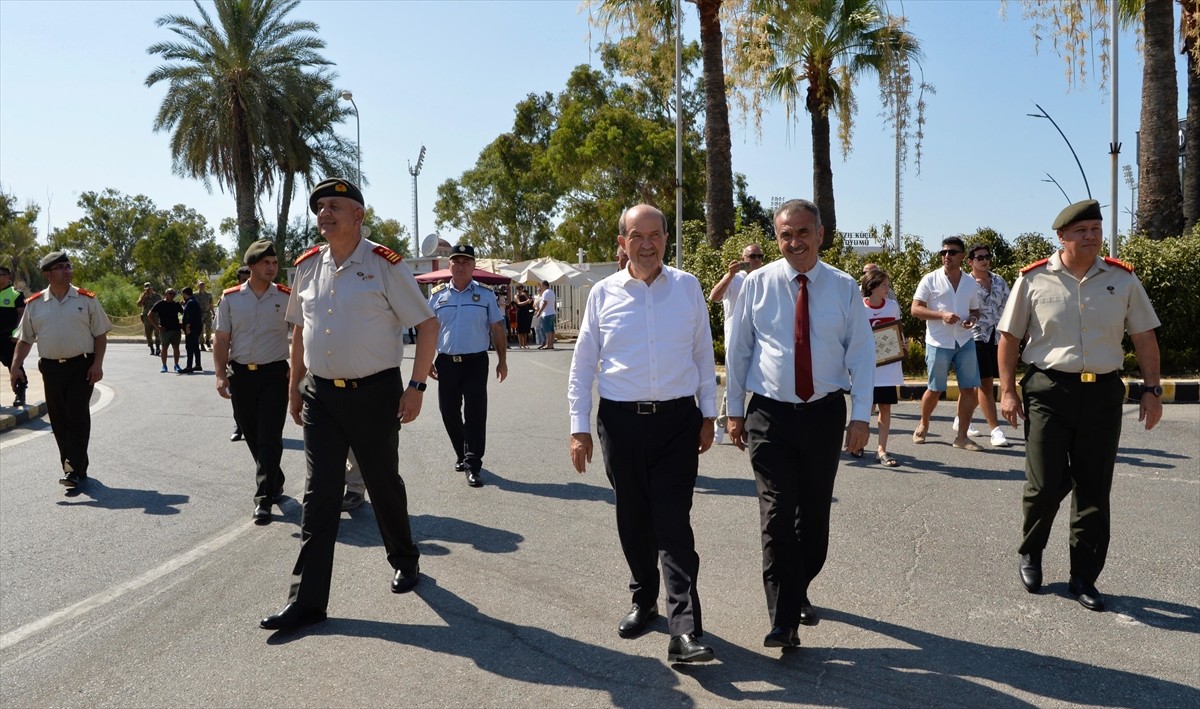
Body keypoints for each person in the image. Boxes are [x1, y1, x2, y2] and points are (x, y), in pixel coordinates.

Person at [260, 177, 437, 633]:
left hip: (375, 394)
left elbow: (427, 325)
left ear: (359, 215)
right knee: (319, 495)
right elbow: (299, 330)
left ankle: (405, 558)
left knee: (382, 482)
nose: (325, 213)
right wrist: (294, 385)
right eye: (320, 206)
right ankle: (307, 602)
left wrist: (415, 385)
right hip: (321, 396)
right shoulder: (306, 266)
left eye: (335, 205)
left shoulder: (384, 265)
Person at [567, 204, 717, 665]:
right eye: (637, 236)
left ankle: (684, 629)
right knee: (633, 519)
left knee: (673, 523)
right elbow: (583, 364)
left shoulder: (688, 288)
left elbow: (702, 355)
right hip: (620, 423)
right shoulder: (602, 294)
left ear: (667, 239)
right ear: (622, 243)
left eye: (656, 235)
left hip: (677, 422)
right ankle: (643, 599)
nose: (647, 244)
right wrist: (579, 427)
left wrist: (708, 414)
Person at [998, 199, 1162, 613]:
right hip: (1049, 389)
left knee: (1093, 487)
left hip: (1103, 392)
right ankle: (1031, 551)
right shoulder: (1033, 279)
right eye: (1082, 230)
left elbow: (1144, 336)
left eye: (1096, 229)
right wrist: (1007, 391)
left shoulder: (1122, 280)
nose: (1091, 236)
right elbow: (1009, 339)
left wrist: (1153, 389)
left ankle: (1083, 576)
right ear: (1062, 237)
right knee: (1045, 483)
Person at [725, 199, 874, 650]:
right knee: (775, 517)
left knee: (812, 520)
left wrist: (861, 416)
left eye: (802, 233)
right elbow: (739, 351)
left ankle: (799, 585)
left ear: (821, 234)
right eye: (785, 235)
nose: (794, 243)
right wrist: (733, 411)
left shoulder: (845, 288)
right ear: (777, 238)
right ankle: (783, 619)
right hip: (769, 415)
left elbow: (863, 354)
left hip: (824, 414)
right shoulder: (757, 284)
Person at [10, 252, 111, 489]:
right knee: (58, 418)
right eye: (60, 268)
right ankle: (77, 465)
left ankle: (72, 469)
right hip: (51, 369)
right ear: (48, 274)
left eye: (68, 267)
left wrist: (97, 365)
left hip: (81, 366)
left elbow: (100, 334)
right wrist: (15, 367)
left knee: (76, 414)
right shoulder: (34, 304)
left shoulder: (86, 299)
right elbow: (25, 339)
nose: (67, 271)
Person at [213, 240, 292, 524]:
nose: (272, 268)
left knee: (270, 436)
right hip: (242, 375)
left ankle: (263, 498)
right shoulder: (231, 298)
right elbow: (221, 339)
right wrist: (221, 374)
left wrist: (299, 370)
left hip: (275, 375)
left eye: (274, 263)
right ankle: (275, 478)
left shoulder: (285, 296)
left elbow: (306, 332)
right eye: (265, 263)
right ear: (251, 267)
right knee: (253, 435)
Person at [428, 244, 507, 487]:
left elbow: (497, 328)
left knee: (475, 412)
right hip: (446, 362)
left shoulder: (485, 295)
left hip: (475, 362)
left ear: (474, 266)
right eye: (456, 261)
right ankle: (462, 453)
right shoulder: (437, 296)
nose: (461, 266)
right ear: (449, 265)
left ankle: (473, 463)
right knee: (448, 411)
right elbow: (429, 330)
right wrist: (427, 360)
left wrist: (502, 361)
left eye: (466, 262)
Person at [911, 236, 983, 450]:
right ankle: (923, 423)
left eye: (951, 252)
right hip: (938, 342)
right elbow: (915, 309)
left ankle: (961, 437)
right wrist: (941, 314)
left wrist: (973, 319)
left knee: (969, 389)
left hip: (964, 340)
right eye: (943, 252)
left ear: (962, 256)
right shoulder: (930, 279)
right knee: (935, 389)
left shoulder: (970, 283)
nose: (946, 256)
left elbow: (975, 310)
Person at [708, 243, 765, 444]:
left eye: (759, 256)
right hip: (735, 339)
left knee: (760, 381)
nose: (756, 260)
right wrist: (729, 275)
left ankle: (753, 426)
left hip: (759, 338)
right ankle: (721, 423)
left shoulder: (765, 280)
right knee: (734, 383)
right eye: (751, 256)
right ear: (743, 258)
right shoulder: (735, 279)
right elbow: (714, 297)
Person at [961, 243, 1012, 447]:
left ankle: (961, 417)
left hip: (996, 337)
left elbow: (1009, 306)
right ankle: (995, 430)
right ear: (970, 261)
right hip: (975, 337)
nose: (984, 260)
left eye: (987, 256)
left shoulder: (999, 280)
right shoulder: (965, 283)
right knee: (986, 383)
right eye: (980, 257)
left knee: (981, 384)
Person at [861, 268, 905, 467]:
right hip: (865, 366)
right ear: (872, 287)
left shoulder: (892, 306)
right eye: (884, 285)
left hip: (887, 367)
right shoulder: (859, 307)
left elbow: (897, 331)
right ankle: (858, 443)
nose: (888, 289)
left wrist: (901, 344)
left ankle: (882, 449)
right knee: (862, 407)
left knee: (885, 407)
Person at [228, 265, 251, 442]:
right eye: (244, 279)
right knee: (238, 399)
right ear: (239, 281)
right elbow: (221, 334)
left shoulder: (272, 298)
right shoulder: (231, 300)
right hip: (238, 359)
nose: (248, 282)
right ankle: (240, 427)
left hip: (265, 360)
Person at [0, 266, 28, 406]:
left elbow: (22, 314)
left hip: (9, 338)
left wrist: (17, 332)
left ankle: (20, 393)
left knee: (15, 366)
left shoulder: (16, 294)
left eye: (1, 275)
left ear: (8, 277)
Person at [149, 288, 184, 373]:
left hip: (175, 329)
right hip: (165, 330)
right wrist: (157, 327)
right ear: (165, 294)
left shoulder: (176, 304)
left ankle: (176, 365)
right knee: (164, 348)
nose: (172, 295)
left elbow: (184, 313)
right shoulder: (160, 304)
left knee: (176, 347)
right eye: (170, 293)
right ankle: (164, 366)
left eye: (173, 294)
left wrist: (182, 323)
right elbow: (150, 315)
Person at [180, 286, 203, 373]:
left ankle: (189, 366)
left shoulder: (190, 302)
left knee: (189, 346)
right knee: (195, 346)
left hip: (192, 328)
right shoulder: (194, 301)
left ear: (185, 294)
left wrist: (187, 327)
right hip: (197, 327)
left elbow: (189, 317)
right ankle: (198, 364)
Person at [136, 282, 162, 356]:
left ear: (152, 288)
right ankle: (151, 348)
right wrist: (144, 296)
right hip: (147, 318)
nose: (148, 290)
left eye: (149, 288)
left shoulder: (157, 296)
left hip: (156, 317)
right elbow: (139, 305)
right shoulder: (143, 295)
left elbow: (161, 305)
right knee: (148, 334)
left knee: (157, 333)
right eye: (147, 288)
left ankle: (158, 348)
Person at [535, 280, 557, 350]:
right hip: (552, 313)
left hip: (546, 314)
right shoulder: (551, 292)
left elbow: (545, 303)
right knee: (551, 329)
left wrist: (539, 312)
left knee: (547, 330)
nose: (541, 287)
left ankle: (548, 344)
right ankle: (551, 344)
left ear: (544, 285)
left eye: (541, 285)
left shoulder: (545, 292)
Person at [195, 280, 215, 351]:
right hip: (199, 314)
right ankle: (201, 343)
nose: (202, 286)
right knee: (200, 330)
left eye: (203, 285)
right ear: (198, 286)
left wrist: (213, 313)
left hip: (207, 313)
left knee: (209, 328)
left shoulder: (209, 294)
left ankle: (207, 339)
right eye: (200, 285)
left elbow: (211, 304)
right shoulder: (195, 295)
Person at [513, 285, 535, 349]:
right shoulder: (516, 296)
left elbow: (529, 301)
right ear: (517, 289)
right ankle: (521, 344)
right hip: (520, 313)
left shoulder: (524, 295)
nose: (520, 290)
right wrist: (527, 302)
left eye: (521, 289)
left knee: (525, 329)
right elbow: (519, 303)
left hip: (526, 312)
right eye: (519, 289)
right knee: (520, 330)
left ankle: (525, 344)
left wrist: (530, 300)